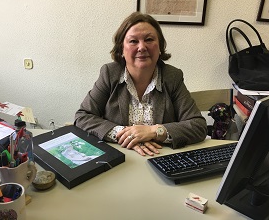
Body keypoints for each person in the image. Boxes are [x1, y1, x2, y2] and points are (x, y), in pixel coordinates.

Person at [74, 12, 207, 156]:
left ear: (160, 46)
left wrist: (154, 131)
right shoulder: (109, 73)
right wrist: (125, 134)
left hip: (160, 157)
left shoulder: (172, 77)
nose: (142, 47)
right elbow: (83, 116)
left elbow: (198, 126)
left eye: (149, 39)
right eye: (133, 41)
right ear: (121, 49)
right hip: (119, 156)